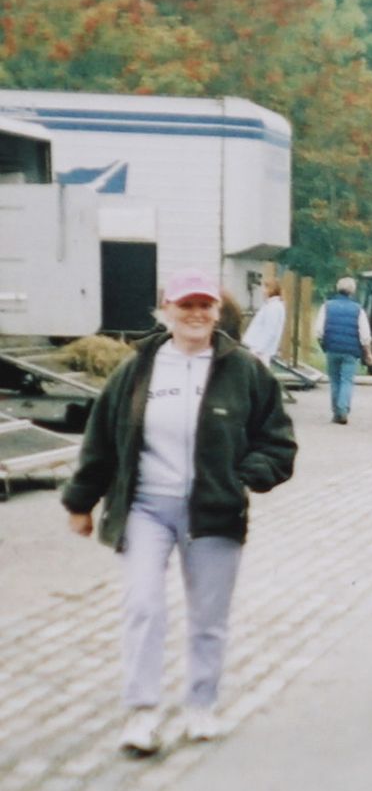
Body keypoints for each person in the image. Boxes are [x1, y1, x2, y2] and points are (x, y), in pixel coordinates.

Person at [61, 269, 296, 756]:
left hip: (214, 510)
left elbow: (277, 439)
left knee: (209, 616)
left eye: (204, 305)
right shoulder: (137, 370)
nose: (195, 314)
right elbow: (102, 438)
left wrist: (248, 473)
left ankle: (201, 706)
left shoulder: (245, 370)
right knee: (143, 606)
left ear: (217, 312)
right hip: (146, 507)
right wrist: (80, 502)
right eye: (184, 305)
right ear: (166, 310)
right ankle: (142, 713)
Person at [314, 276, 372, 425]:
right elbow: (365, 335)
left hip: (332, 349)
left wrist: (324, 345)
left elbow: (319, 331)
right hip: (351, 351)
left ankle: (336, 411)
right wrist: (368, 353)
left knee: (334, 381)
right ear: (352, 291)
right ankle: (343, 410)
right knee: (346, 381)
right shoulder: (358, 309)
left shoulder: (327, 306)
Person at [241, 276, 286, 367]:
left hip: (260, 351)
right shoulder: (270, 305)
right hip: (257, 349)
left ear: (271, 289)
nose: (262, 291)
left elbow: (270, 331)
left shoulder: (274, 307)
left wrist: (258, 350)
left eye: (265, 287)